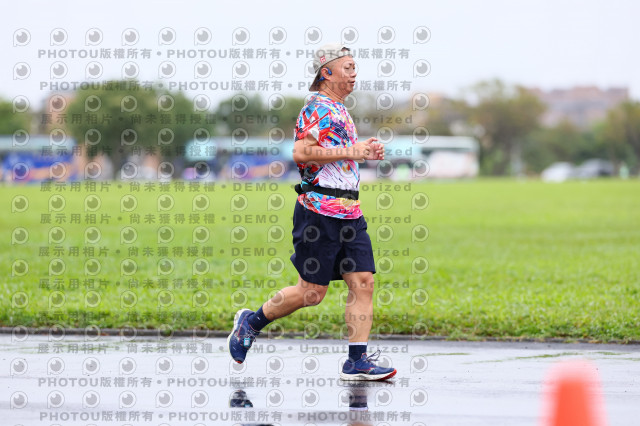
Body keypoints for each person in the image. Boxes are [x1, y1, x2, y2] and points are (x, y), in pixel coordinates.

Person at [228, 43, 396, 381]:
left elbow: (339, 153)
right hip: (318, 211)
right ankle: (251, 322)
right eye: (348, 67)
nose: (354, 73)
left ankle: (356, 361)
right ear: (326, 72)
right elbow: (302, 153)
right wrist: (354, 150)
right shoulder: (317, 108)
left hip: (349, 211)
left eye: (355, 67)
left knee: (363, 282)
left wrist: (365, 150)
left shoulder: (339, 109)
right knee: (311, 292)